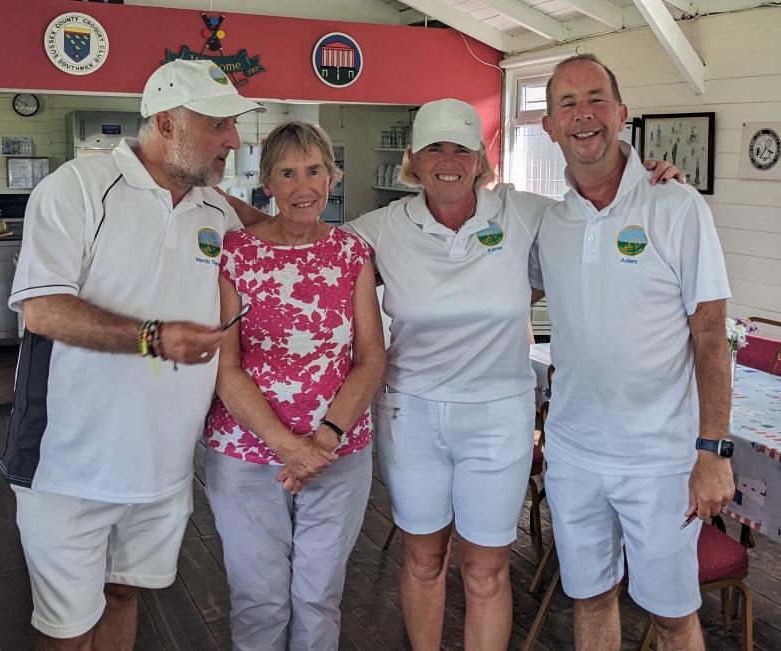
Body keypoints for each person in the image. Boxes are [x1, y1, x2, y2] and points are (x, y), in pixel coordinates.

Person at [225, 102, 680, 650]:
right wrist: (210, 204)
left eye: (461, 148)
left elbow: (597, 208)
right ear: (413, 160)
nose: (448, 161)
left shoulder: (523, 212)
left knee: (486, 570)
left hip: (498, 416)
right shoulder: (381, 229)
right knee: (423, 559)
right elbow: (299, 227)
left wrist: (645, 178)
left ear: (482, 159)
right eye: (434, 149)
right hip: (412, 413)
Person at [0, 59, 267, 650]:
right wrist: (154, 337)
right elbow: (42, 310)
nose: (234, 139)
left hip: (164, 467)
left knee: (124, 594)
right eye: (218, 124)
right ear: (167, 123)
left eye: (234, 125)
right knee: (66, 629)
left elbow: (278, 237)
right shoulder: (76, 188)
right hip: (70, 465)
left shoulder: (214, 209)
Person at [536, 53, 734, 650]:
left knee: (672, 616)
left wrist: (713, 450)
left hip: (661, 462)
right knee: (590, 599)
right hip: (573, 454)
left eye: (596, 99)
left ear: (621, 113)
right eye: (566, 104)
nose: (583, 115)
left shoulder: (676, 206)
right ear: (548, 126)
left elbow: (710, 332)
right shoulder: (551, 221)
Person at [203, 120, 386, 650]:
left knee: (318, 596)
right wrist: (289, 447)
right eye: (287, 173)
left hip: (338, 451)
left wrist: (322, 441)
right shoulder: (234, 253)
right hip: (245, 453)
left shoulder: (352, 253)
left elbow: (370, 357)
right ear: (266, 182)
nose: (303, 187)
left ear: (332, 177)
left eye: (314, 171)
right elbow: (227, 364)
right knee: (259, 600)